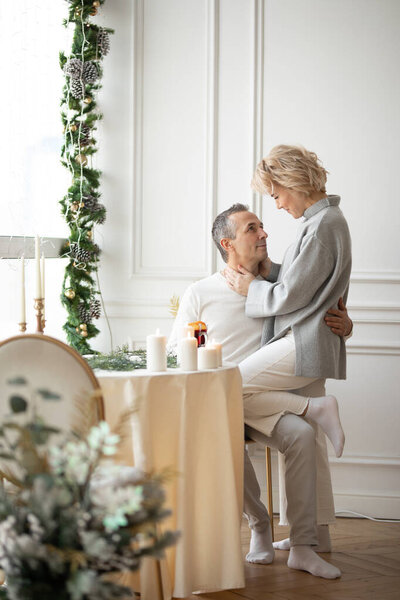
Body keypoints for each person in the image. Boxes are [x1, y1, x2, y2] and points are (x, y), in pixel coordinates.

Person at [169, 208, 352, 577]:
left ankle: (303, 544)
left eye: (262, 226)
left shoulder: (280, 291)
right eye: (251, 229)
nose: (264, 233)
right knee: (223, 427)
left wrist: (346, 326)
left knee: (301, 434)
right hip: (221, 402)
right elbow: (176, 351)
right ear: (228, 243)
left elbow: (320, 323)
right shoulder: (200, 292)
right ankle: (259, 526)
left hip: (265, 400)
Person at [223, 145, 352, 578]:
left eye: (276, 194)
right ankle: (309, 539)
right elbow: (300, 279)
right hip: (310, 339)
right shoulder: (321, 222)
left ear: (294, 184)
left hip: (305, 341)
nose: (276, 204)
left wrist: (250, 291)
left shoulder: (321, 226)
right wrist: (261, 276)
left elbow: (291, 295)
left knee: (227, 387)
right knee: (309, 443)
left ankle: (314, 408)